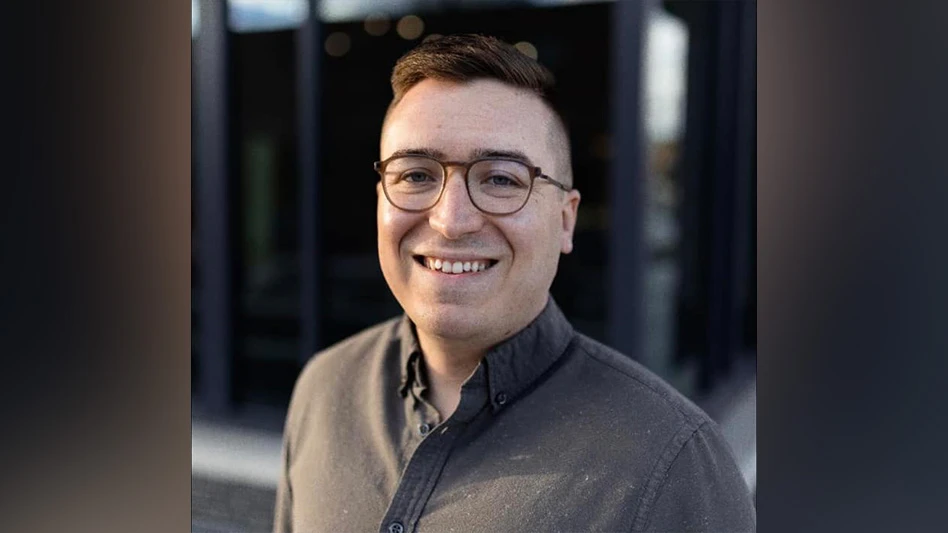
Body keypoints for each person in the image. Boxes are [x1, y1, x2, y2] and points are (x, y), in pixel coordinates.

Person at [274, 34, 755, 533]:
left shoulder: (672, 465)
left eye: (501, 179)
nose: (450, 221)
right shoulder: (325, 387)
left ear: (565, 220)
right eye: (416, 175)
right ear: (380, 201)